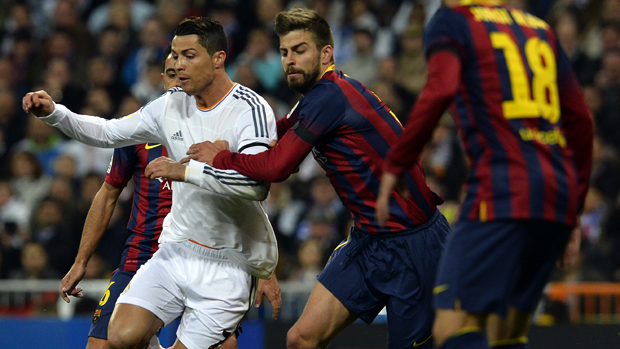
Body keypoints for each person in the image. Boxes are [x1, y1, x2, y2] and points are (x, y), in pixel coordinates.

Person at [184, 8, 450, 349]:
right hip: (370, 241)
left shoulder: (329, 98)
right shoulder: (319, 97)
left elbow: (278, 166)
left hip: (415, 245)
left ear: (326, 53)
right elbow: (275, 134)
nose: (289, 60)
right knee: (301, 339)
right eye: (284, 52)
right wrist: (232, 143)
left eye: (300, 50)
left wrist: (220, 157)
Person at [24, 17, 281, 349]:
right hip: (175, 250)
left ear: (218, 58)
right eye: (174, 55)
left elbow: (256, 185)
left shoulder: (251, 110)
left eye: (188, 55)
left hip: (227, 264)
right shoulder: (169, 106)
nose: (177, 64)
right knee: (120, 336)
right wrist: (56, 112)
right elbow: (107, 131)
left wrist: (184, 171)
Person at [376, 1, 593, 349]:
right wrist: (575, 210)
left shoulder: (453, 21)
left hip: (502, 188)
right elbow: (581, 121)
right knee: (505, 333)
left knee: (452, 330)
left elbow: (440, 89)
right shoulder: (538, 28)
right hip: (558, 194)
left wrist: (397, 162)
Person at [58, 45, 238, 349]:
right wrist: (81, 261)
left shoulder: (220, 129)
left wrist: (263, 269)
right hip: (141, 256)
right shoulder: (139, 128)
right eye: (171, 74)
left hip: (203, 257)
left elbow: (246, 196)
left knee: (226, 345)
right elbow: (107, 195)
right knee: (100, 346)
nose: (179, 80)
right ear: (162, 80)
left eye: (185, 72)